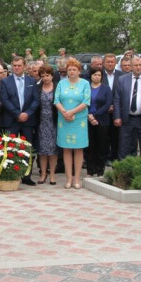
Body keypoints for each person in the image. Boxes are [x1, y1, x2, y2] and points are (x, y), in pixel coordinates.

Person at [0, 57, 40, 185]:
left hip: (28, 120)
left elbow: (36, 100)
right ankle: (10, 174)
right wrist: (17, 114)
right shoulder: (5, 82)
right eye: (14, 65)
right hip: (12, 119)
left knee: (27, 148)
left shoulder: (31, 81)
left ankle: (26, 175)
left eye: (19, 65)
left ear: (24, 66)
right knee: (10, 148)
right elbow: (5, 100)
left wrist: (27, 113)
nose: (17, 67)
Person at [54, 58, 91, 189]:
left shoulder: (85, 83)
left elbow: (86, 101)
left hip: (79, 120)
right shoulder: (61, 83)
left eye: (74, 69)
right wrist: (65, 112)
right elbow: (56, 99)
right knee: (66, 148)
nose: (72, 72)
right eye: (69, 69)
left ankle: (77, 178)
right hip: (64, 120)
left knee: (78, 148)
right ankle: (68, 178)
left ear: (79, 71)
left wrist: (72, 112)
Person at [113, 56, 141, 159]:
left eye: (140, 65)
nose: (138, 67)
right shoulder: (122, 79)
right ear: (131, 67)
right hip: (126, 119)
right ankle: (123, 171)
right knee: (124, 147)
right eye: (135, 65)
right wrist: (117, 116)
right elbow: (117, 99)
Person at [85, 68, 112, 177]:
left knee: (101, 146)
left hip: (102, 120)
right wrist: (89, 116)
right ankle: (90, 170)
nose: (97, 77)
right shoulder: (86, 88)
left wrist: (94, 115)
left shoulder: (106, 88)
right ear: (91, 76)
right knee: (90, 146)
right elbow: (82, 102)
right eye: (95, 75)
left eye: (99, 75)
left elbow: (107, 104)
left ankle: (100, 170)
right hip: (87, 120)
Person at [34, 65, 58, 184]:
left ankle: (52, 174)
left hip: (54, 121)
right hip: (41, 122)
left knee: (53, 150)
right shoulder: (37, 87)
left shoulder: (58, 86)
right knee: (42, 150)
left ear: (52, 75)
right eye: (43, 76)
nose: (45, 78)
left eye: (47, 75)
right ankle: (43, 173)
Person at [102, 54, 123, 163]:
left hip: (117, 111)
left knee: (116, 136)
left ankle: (115, 157)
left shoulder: (122, 75)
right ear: (104, 63)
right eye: (108, 62)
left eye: (112, 62)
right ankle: (105, 157)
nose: (110, 64)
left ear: (115, 63)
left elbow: (123, 94)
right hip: (102, 112)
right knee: (104, 136)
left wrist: (115, 107)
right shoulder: (99, 75)